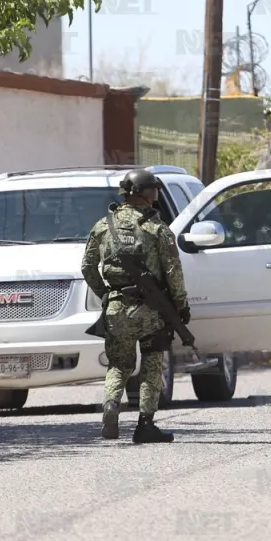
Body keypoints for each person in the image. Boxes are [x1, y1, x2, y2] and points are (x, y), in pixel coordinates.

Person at [81, 169, 189, 444]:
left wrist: (105, 294)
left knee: (119, 364)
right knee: (152, 363)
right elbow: (174, 272)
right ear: (144, 193)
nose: (156, 195)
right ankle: (145, 425)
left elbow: (87, 267)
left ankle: (110, 406)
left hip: (116, 308)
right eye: (153, 190)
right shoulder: (156, 228)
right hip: (152, 311)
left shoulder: (103, 225)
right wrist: (180, 305)